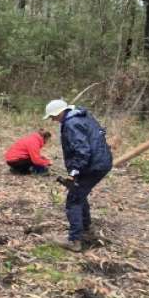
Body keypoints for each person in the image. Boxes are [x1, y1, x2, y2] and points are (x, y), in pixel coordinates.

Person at [46, 98, 114, 250]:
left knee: (74, 199)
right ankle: (87, 229)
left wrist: (74, 172)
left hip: (93, 165)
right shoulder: (82, 116)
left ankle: (74, 240)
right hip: (101, 162)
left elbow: (82, 150)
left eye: (53, 116)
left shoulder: (71, 123)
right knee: (79, 194)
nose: (53, 119)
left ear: (61, 112)